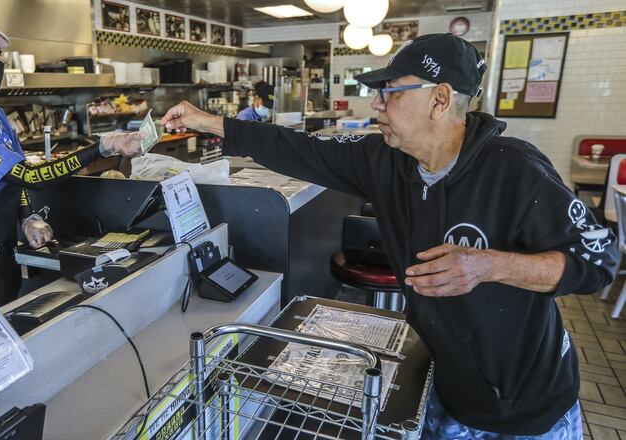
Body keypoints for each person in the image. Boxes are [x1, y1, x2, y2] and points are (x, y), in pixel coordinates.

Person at [161, 33, 617, 439]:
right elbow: (301, 149)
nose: (376, 104)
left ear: (440, 99)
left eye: (391, 92)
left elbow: (599, 260)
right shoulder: (386, 159)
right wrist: (212, 122)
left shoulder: (513, 169)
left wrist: (491, 264)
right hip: (446, 384)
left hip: (527, 407)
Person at [0, 17, 144, 306]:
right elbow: (30, 176)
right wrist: (103, 147)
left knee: (10, 314)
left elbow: (15, 179)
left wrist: (28, 217)